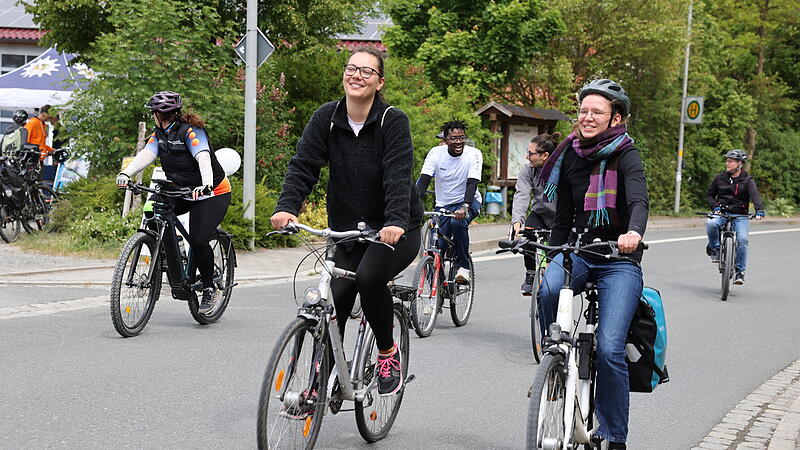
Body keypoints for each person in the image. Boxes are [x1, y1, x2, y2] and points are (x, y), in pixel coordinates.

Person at [271, 47, 423, 396]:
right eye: (351, 68)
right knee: (334, 299)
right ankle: (316, 386)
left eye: (367, 72)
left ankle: (387, 353)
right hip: (348, 231)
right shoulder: (326, 118)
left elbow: (398, 175)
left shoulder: (391, 121)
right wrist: (286, 207)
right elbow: (303, 164)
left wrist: (396, 220)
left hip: (396, 230)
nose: (357, 76)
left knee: (369, 279)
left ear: (379, 81)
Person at [537, 79, 648, 449]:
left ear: (615, 118)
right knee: (549, 286)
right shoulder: (569, 153)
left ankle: (615, 435)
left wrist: (632, 232)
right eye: (583, 110)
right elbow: (563, 217)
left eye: (596, 112)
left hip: (618, 259)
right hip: (580, 252)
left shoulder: (626, 154)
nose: (587, 117)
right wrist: (553, 253)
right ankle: (553, 363)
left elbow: (637, 201)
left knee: (611, 346)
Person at [115, 91, 232, 314]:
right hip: (180, 190)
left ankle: (208, 288)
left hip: (211, 193)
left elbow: (203, 157)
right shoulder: (159, 134)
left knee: (199, 240)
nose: (152, 116)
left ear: (161, 113)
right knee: (154, 214)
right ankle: (166, 259)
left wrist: (206, 184)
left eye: (153, 113)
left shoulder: (191, 131)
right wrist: (126, 173)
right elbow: (146, 155)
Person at [415, 120, 483, 284]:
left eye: (461, 137)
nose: (458, 142)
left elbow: (472, 183)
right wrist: (413, 203)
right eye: (454, 138)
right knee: (436, 246)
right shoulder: (436, 153)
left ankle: (463, 267)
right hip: (443, 205)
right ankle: (437, 288)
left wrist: (465, 206)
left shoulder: (473, 154)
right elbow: (423, 180)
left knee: (457, 223)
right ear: (445, 140)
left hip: (468, 200)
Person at [509, 133, 559, 295]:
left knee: (557, 252)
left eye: (531, 153)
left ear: (545, 156)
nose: (527, 156)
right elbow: (522, 194)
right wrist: (517, 222)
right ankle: (530, 273)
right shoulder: (528, 170)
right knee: (528, 235)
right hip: (540, 214)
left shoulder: (561, 169)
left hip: (561, 217)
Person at [704, 149, 764, 285]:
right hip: (722, 212)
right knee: (711, 224)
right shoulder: (720, 178)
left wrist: (759, 209)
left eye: (730, 161)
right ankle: (716, 249)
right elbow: (709, 195)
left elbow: (755, 195)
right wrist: (715, 206)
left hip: (740, 215)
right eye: (727, 160)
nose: (727, 163)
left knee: (742, 240)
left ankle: (740, 272)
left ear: (739, 164)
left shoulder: (747, 180)